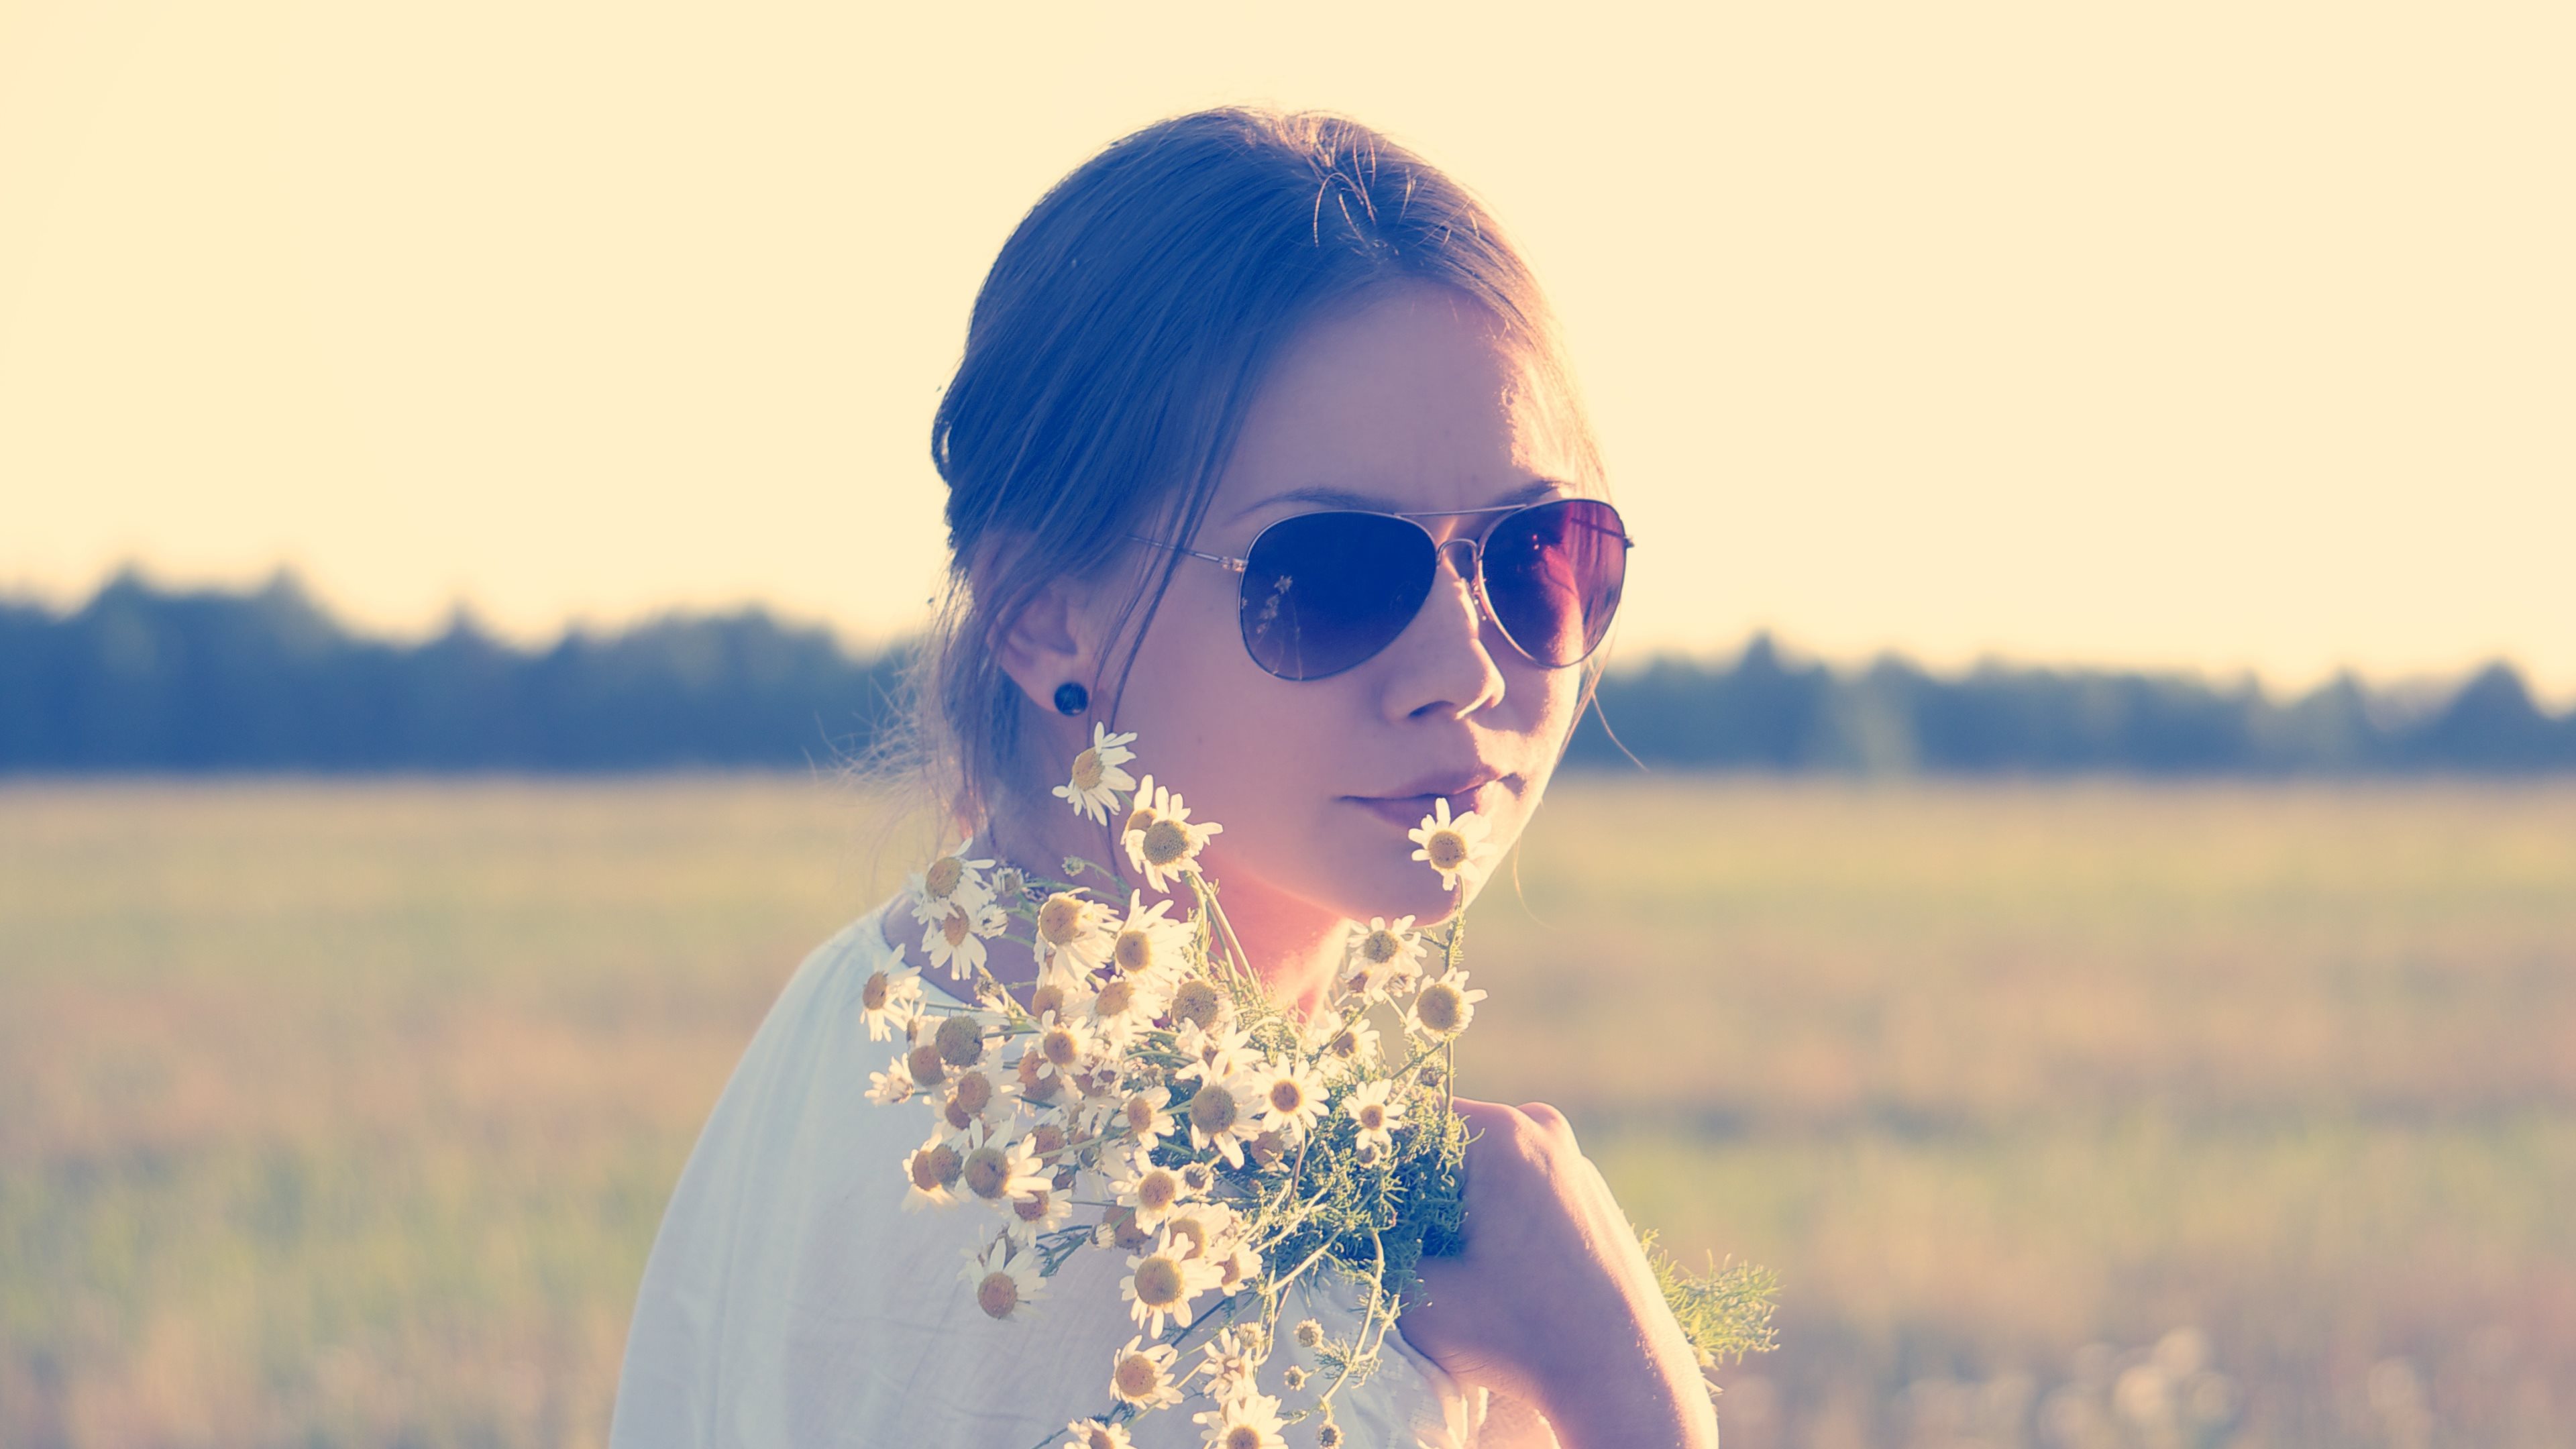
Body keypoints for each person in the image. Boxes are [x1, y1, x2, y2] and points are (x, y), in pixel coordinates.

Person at [611, 106, 1715, 1448]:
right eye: (1327, 576)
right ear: (1042, 620)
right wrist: (1621, 1386)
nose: (1466, 668)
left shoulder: (873, 1011)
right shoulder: (1213, 1298)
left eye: (1535, 551)